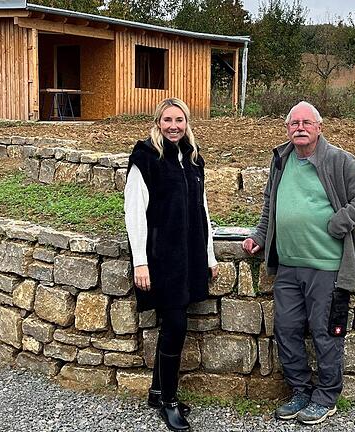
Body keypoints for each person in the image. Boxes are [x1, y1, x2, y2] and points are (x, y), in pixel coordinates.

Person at [242, 101, 355, 425]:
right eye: (294, 123)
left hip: (328, 265)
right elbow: (270, 205)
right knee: (287, 330)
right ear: (287, 129)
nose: (300, 128)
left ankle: (326, 397)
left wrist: (340, 221)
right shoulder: (281, 160)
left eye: (307, 122)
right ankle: (300, 392)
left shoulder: (338, 160)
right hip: (288, 266)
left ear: (319, 127)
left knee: (326, 333)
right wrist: (260, 236)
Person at [125, 97, 218, 432]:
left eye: (179, 120)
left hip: (189, 254)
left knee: (174, 324)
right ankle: (169, 402)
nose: (174, 126)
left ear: (187, 122)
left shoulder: (193, 158)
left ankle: (156, 391)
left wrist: (208, 254)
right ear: (158, 122)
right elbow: (134, 213)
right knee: (176, 325)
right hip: (160, 258)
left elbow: (203, 211)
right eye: (168, 120)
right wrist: (140, 263)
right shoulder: (146, 158)